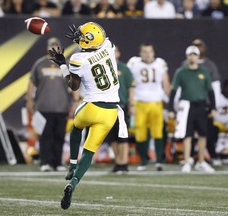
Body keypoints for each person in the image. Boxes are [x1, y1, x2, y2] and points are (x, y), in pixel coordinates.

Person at [48, 22, 128, 209]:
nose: (78, 36)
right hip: (110, 113)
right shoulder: (108, 47)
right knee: (89, 151)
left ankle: (71, 165)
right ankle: (73, 182)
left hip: (91, 107)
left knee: (76, 128)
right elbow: (101, 40)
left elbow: (73, 86)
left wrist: (62, 65)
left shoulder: (78, 59)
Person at [26, 37, 77, 172]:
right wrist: (29, 101)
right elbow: (31, 83)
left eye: (56, 46)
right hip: (43, 106)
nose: (54, 49)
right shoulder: (40, 64)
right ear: (47, 48)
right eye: (51, 46)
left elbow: (73, 84)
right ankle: (45, 162)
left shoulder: (65, 64)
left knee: (59, 136)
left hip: (62, 107)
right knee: (45, 136)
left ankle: (57, 163)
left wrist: (76, 101)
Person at [168, 45, 216, 173]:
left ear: (198, 56)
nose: (192, 57)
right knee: (187, 134)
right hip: (186, 106)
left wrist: (213, 107)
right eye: (190, 54)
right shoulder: (181, 72)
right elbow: (173, 91)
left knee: (202, 134)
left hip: (200, 105)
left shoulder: (203, 72)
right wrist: (171, 109)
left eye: (195, 54)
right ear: (187, 56)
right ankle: (187, 161)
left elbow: (210, 91)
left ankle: (201, 161)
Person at [127, 43, 171, 171]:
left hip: (156, 102)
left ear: (153, 52)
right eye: (145, 51)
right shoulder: (134, 63)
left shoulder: (160, 63)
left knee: (157, 131)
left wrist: (170, 102)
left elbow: (166, 83)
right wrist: (131, 103)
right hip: (139, 102)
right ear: (140, 53)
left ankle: (159, 161)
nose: (147, 54)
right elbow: (130, 84)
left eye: (150, 51)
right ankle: (143, 161)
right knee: (140, 132)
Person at [107, 46, 134, 174]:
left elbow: (131, 87)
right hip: (107, 106)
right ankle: (118, 162)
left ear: (118, 53)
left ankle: (124, 163)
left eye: (114, 51)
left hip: (120, 106)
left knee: (122, 136)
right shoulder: (103, 67)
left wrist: (132, 104)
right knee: (112, 138)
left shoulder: (124, 69)